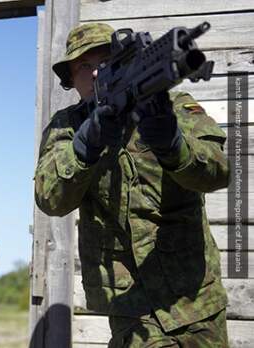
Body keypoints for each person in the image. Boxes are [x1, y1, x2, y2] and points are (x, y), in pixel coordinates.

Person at [34, 23, 230, 347]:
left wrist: (173, 144)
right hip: (132, 312)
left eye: (105, 60)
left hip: (197, 300)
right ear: (70, 78)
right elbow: (49, 198)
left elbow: (219, 170)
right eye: (84, 65)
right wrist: (86, 145)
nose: (97, 72)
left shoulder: (174, 106)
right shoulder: (66, 128)